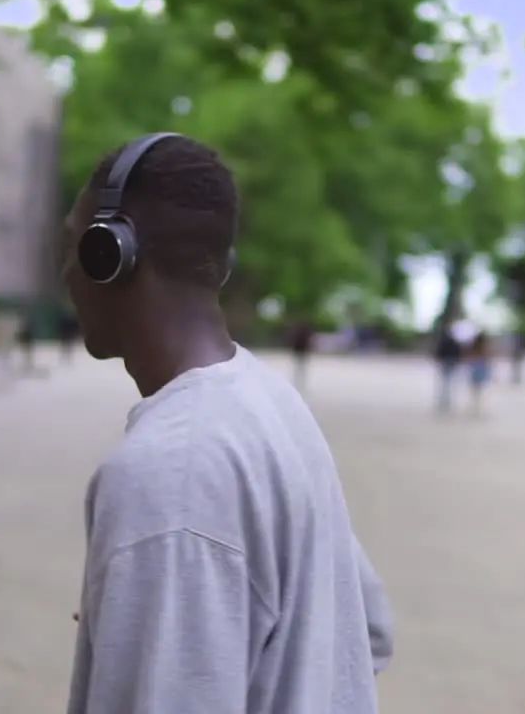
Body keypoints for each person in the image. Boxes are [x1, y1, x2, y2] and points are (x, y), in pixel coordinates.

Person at [61, 133, 393, 714]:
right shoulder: (273, 406)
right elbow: (366, 628)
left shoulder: (169, 475)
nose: (67, 272)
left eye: (76, 245)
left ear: (110, 254)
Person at [434, 317, 464, 413]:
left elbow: (440, 351)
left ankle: (444, 399)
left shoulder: (446, 340)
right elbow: (458, 353)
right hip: (450, 361)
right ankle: (446, 399)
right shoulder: (455, 342)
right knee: (448, 381)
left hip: (447, 361)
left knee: (445, 382)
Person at [467, 330, 491, 414]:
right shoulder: (483, 346)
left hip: (475, 365)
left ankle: (475, 400)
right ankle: (478, 401)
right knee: (479, 386)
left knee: (474, 385)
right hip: (481, 365)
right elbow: (487, 356)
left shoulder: (473, 346)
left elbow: (469, 356)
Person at [289, 317, 315, 392]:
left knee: (298, 369)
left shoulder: (297, 333)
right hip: (302, 351)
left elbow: (293, 342)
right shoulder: (305, 333)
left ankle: (297, 382)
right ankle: (299, 383)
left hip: (299, 351)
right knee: (301, 369)